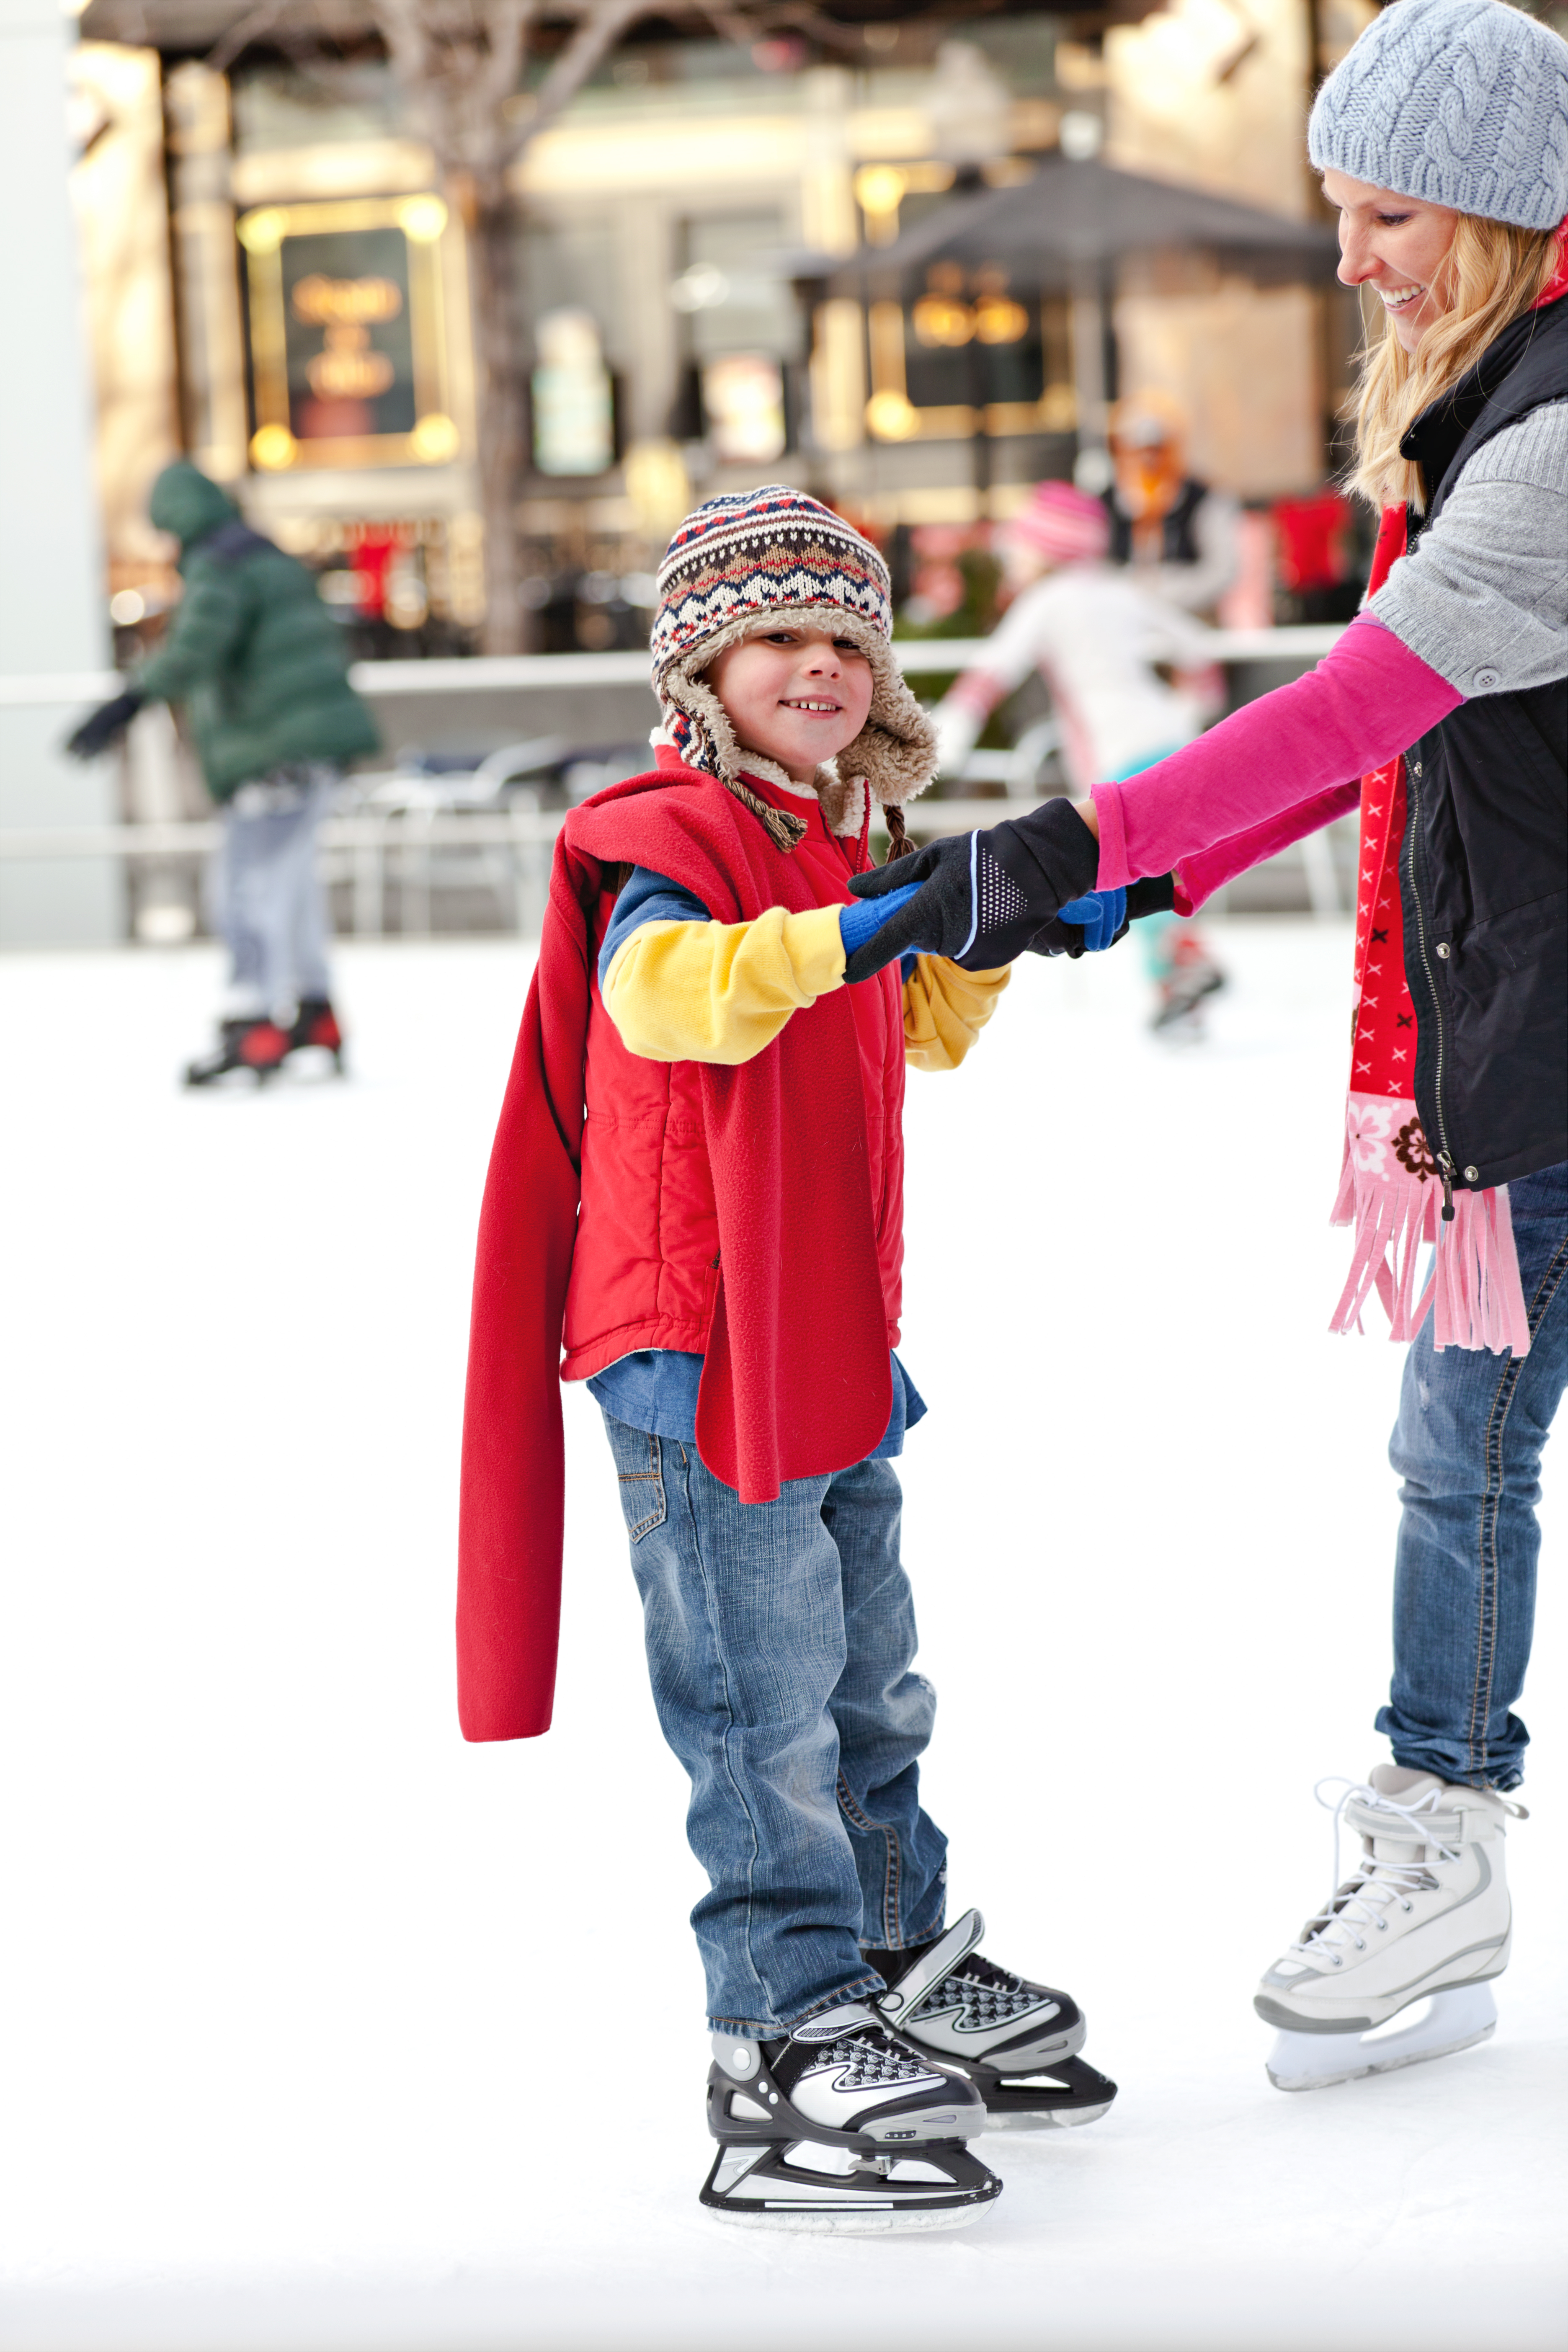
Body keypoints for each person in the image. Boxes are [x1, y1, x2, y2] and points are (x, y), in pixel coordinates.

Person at [845, 0, 1567, 2094]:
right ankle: (1435, 1825)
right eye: (1339, 210)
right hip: (1506, 1028)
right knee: (1460, 1449)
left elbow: (1344, 716)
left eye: (1384, 217)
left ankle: (1433, 1824)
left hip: (1532, 1034)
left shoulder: (1546, 442)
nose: (1348, 260)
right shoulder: (1484, 413)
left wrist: (1064, 848)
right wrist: (1105, 889)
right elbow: (1371, 738)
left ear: (1510, 220)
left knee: (1464, 1453)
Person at [454, 487, 1117, 2233]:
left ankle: (890, 1968)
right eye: (778, 641)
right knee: (760, 1715)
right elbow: (671, 997)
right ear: (701, 666)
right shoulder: (662, 834)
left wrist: (999, 932)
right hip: (693, 1345)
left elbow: (901, 1029)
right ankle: (777, 2034)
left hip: (822, 1332)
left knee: (866, 1688)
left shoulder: (832, 845)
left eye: (846, 638)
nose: (819, 667)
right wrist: (890, 920)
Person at [66, 461, 379, 1084]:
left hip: (275, 754)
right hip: (310, 748)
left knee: (245, 887)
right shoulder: (265, 555)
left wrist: (128, 702)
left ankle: (253, 1017)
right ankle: (313, 1009)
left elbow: (196, 645)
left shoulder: (222, 564)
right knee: (289, 887)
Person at [931, 480, 1228, 1034]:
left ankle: (1186, 965)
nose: (1012, 558)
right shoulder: (1119, 590)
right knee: (1160, 862)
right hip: (1171, 737)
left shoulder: (1046, 601)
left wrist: (951, 731)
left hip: (1121, 754)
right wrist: (1191, 708)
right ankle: (1180, 992)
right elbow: (1198, 650)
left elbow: (994, 671)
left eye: (1021, 546)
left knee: (1131, 869)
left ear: (1047, 550)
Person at [1102, 387, 1240, 616]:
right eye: (1138, 450)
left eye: (1157, 450)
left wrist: (1169, 592)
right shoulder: (1105, 504)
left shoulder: (1205, 500)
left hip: (1189, 618)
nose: (1149, 461)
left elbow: (1223, 571)